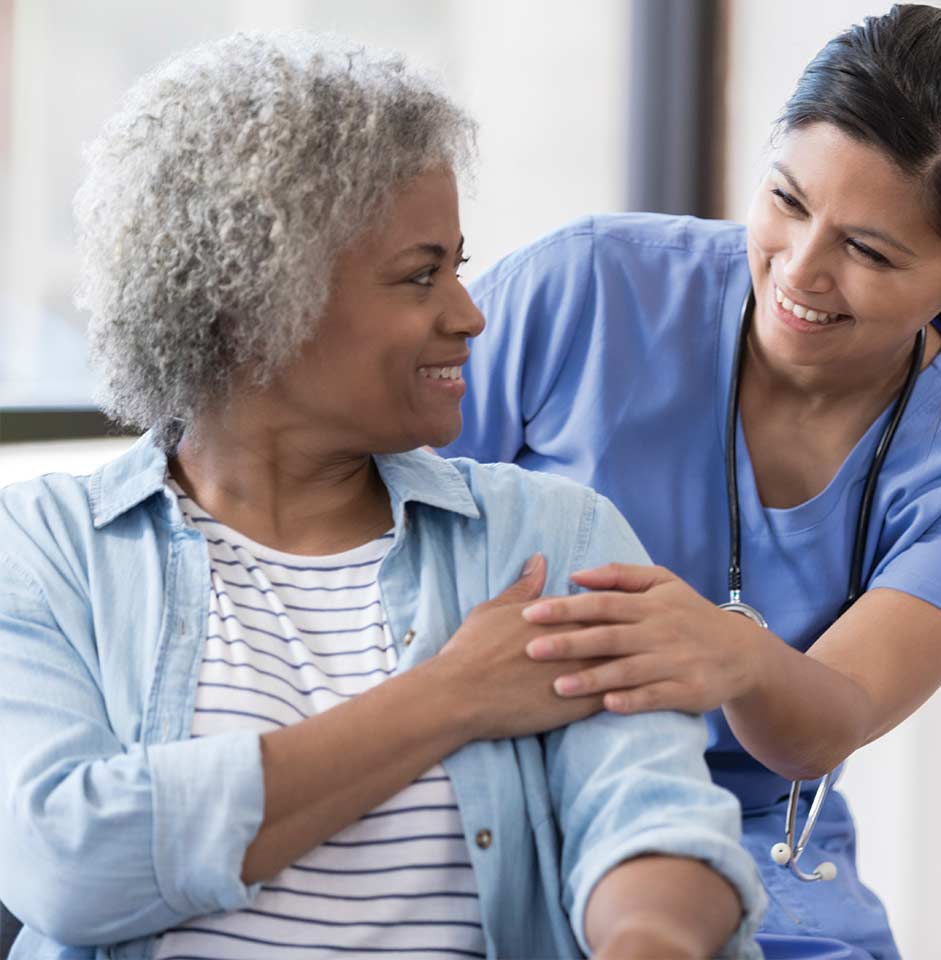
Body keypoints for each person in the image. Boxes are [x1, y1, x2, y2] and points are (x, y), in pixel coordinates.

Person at [0, 33, 764, 960]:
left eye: (459, 266)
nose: (470, 315)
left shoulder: (548, 536)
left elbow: (651, 816)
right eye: (420, 275)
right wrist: (451, 696)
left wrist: (650, 940)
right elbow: (65, 863)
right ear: (256, 310)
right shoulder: (46, 550)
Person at [439, 5, 941, 957]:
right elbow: (368, 498)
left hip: (751, 838)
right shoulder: (593, 285)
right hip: (488, 773)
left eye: (868, 251)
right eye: (788, 202)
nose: (800, 271)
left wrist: (739, 657)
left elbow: (824, 726)